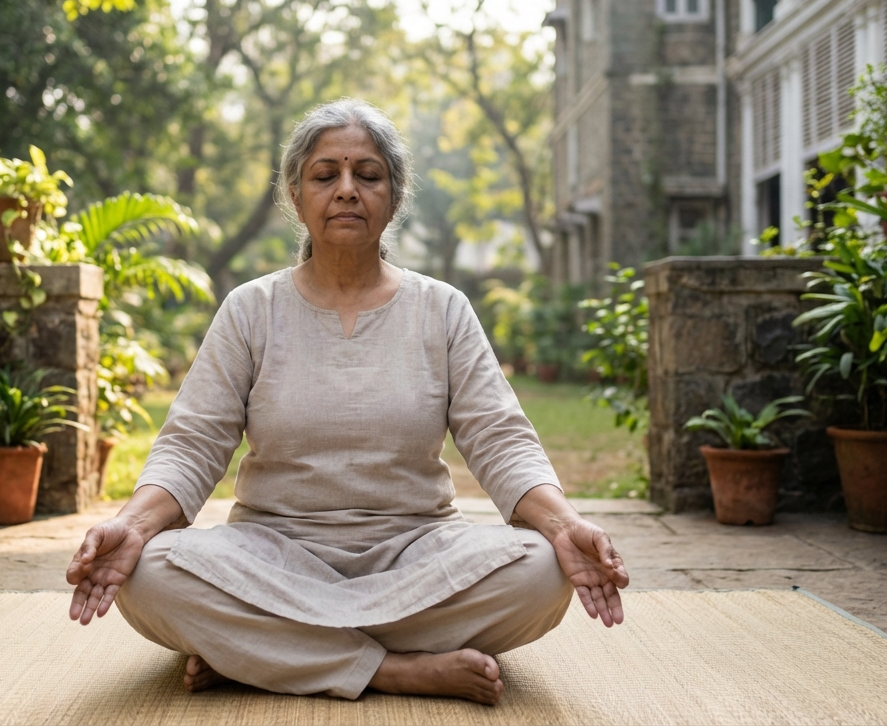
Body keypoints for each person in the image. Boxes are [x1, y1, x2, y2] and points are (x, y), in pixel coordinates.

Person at [66, 98, 629, 705]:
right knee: (146, 575)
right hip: (272, 551)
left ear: (394, 194)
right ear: (296, 193)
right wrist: (132, 524)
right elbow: (192, 444)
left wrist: (565, 524)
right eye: (325, 174)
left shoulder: (441, 308)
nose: (346, 191)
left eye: (368, 175)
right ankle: (394, 669)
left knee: (545, 571)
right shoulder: (251, 309)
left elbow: (500, 437)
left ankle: (265, 654)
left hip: (417, 551)